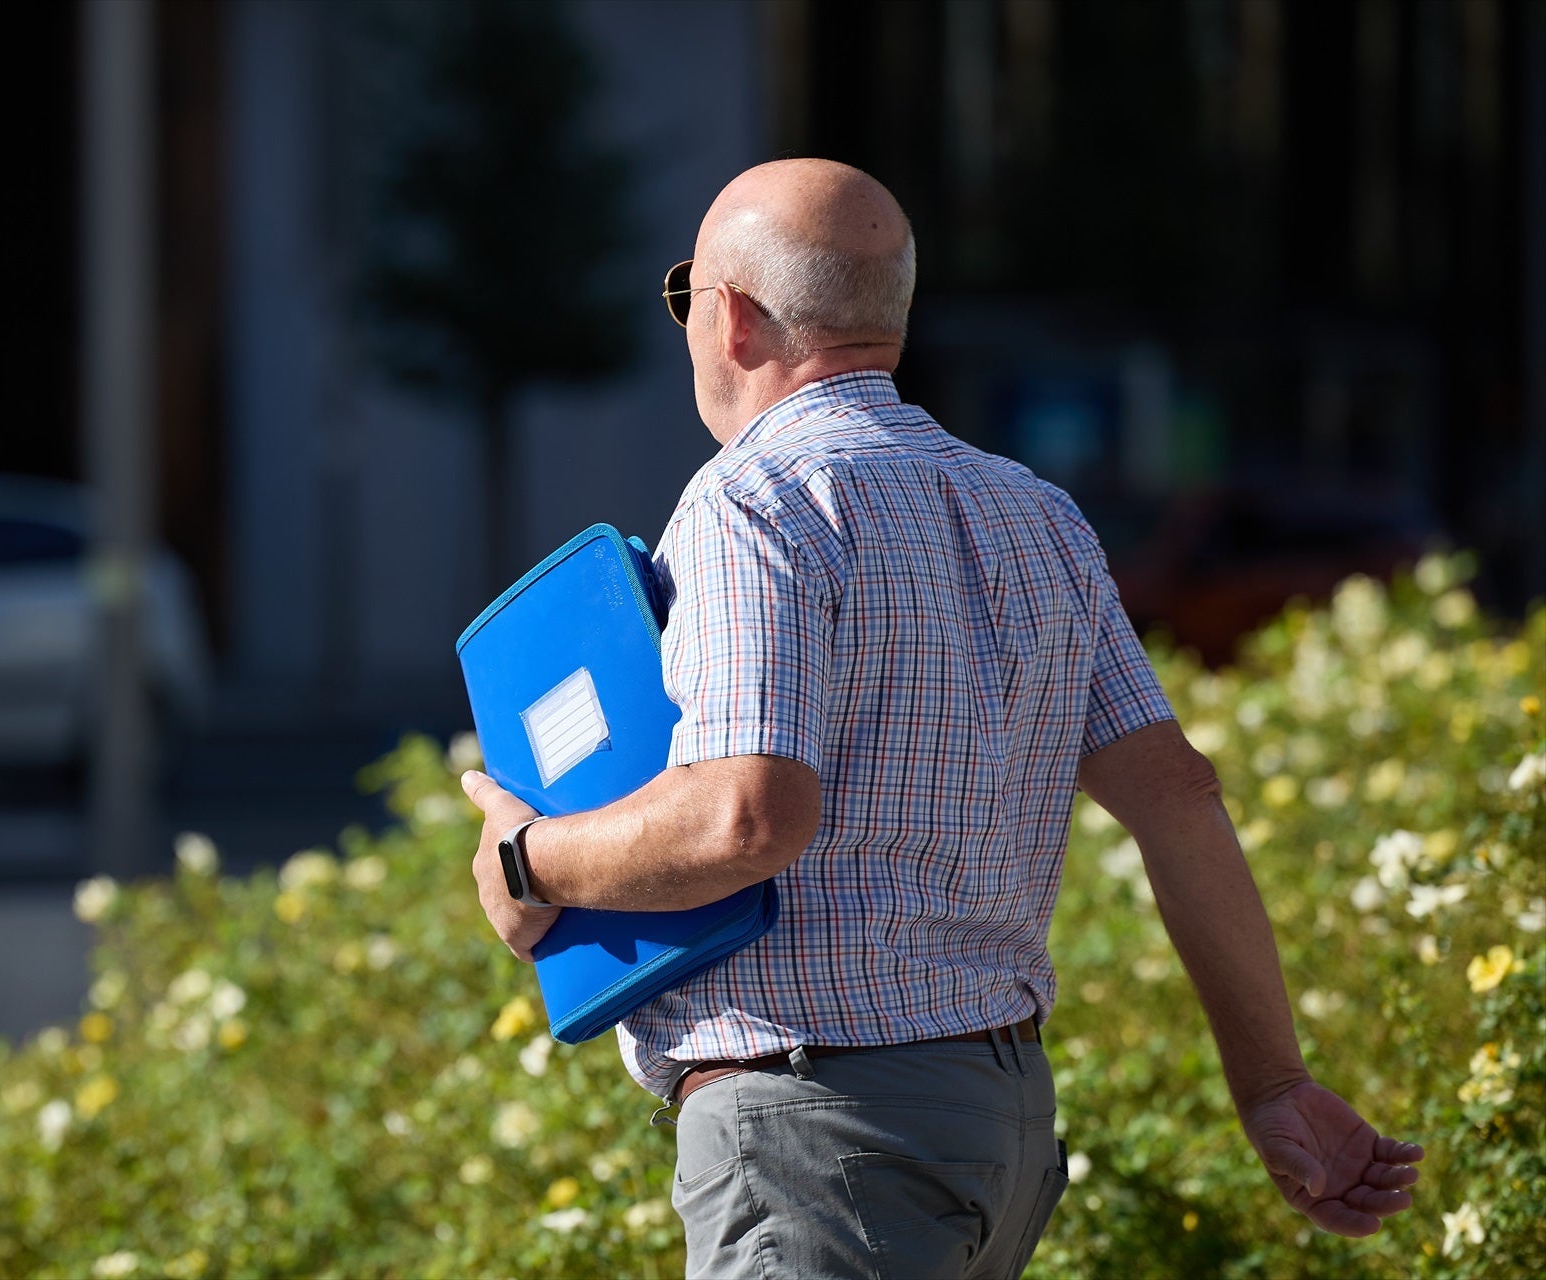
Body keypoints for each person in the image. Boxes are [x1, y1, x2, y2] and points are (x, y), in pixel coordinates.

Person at [459, 159, 1424, 1279]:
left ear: (730, 316)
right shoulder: (1038, 514)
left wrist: (529, 860)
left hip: (820, 1131)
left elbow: (746, 817)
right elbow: (1180, 800)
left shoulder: (752, 500)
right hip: (1000, 1117)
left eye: (686, 296)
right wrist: (1274, 1083)